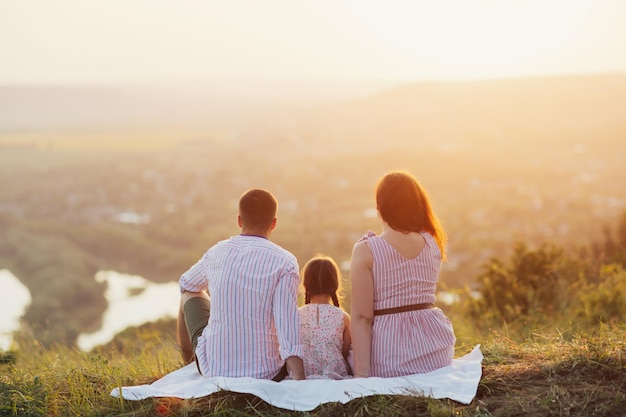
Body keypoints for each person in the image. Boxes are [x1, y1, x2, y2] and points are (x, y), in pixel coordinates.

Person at [176, 188, 305, 380]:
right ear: (274, 223)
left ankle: (188, 364)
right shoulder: (284, 262)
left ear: (239, 220)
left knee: (188, 294)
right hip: (267, 373)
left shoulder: (216, 252)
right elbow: (287, 325)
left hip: (215, 369)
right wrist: (299, 380)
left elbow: (186, 283)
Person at [350, 171, 456, 378]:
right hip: (437, 354)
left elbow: (363, 318)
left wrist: (361, 376)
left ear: (380, 208)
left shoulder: (366, 250)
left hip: (391, 359)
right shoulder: (433, 242)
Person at [298, 255, 352, 379]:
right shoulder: (343, 317)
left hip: (305, 377)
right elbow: (343, 352)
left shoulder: (296, 315)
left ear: (306, 284)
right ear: (335, 284)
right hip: (336, 377)